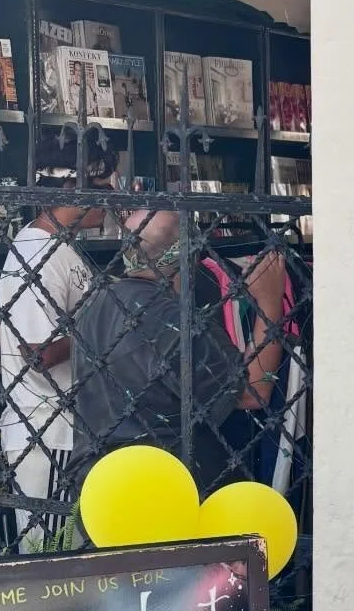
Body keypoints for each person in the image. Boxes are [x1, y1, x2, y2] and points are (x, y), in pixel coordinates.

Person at [69, 209, 288, 493]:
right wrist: (270, 302)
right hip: (165, 489)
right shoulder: (173, 319)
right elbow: (253, 392)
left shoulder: (95, 303)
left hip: (101, 485)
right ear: (191, 255)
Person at [0, 137, 115, 549]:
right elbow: (38, 353)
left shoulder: (60, 249)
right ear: (70, 189)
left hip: (65, 428)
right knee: (54, 563)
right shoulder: (36, 251)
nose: (111, 198)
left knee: (73, 557)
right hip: (46, 432)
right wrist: (104, 324)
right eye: (101, 188)